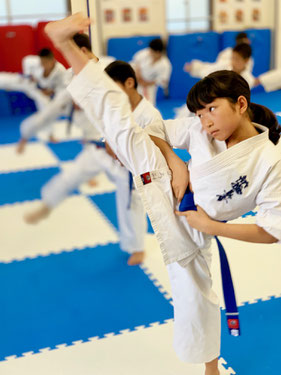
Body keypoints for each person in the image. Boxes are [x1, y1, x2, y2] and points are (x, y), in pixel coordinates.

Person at [45, 14, 281, 375]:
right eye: (199, 114)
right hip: (166, 183)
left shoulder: (270, 159)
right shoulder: (202, 130)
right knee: (127, 127)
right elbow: (158, 131)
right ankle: (72, 51)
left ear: (241, 104)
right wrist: (175, 160)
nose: (205, 123)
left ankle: (211, 367)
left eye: (211, 110)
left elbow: (270, 230)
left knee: (197, 299)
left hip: (194, 226)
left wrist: (211, 226)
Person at [23, 34, 162, 267]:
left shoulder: (109, 68)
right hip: (98, 146)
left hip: (125, 165)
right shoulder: (73, 74)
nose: (71, 59)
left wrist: (121, 153)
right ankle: (48, 202)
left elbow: (151, 151)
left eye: (73, 53)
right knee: (71, 174)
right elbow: (66, 102)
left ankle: (135, 247)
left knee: (130, 202)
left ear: (85, 50)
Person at [0, 48, 66, 111]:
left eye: (45, 62)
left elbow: (61, 88)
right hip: (27, 82)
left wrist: (51, 91)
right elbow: (26, 60)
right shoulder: (34, 61)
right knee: (3, 79)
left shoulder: (61, 71)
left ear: (53, 61)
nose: (43, 65)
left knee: (45, 103)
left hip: (41, 91)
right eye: (42, 62)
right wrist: (29, 75)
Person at [184, 31, 253, 76]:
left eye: (237, 59)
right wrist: (195, 68)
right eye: (234, 58)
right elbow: (215, 67)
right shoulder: (228, 53)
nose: (234, 61)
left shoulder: (249, 59)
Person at [131, 38, 172, 106]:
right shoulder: (144, 53)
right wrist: (138, 75)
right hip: (136, 81)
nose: (150, 52)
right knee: (133, 103)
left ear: (158, 52)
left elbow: (163, 81)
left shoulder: (165, 64)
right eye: (150, 50)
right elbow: (135, 63)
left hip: (150, 87)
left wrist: (147, 83)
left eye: (152, 51)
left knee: (149, 105)